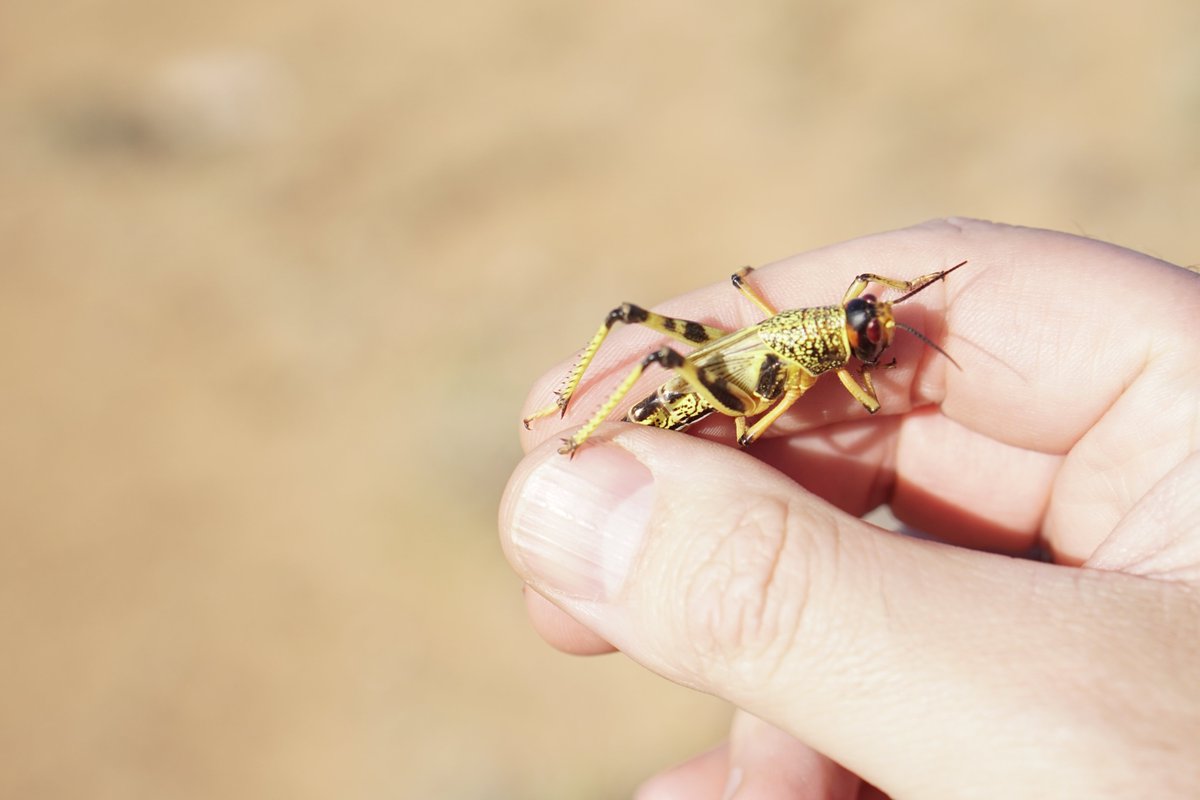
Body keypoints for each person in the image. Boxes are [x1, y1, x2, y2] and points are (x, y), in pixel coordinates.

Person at [498, 218, 1200, 799]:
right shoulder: (823, 350)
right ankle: (577, 423)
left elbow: (836, 293)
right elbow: (843, 392)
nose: (878, 329)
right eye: (870, 329)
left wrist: (895, 303)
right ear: (842, 328)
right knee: (653, 348)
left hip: (759, 363)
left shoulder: (834, 324)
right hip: (714, 387)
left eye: (874, 323)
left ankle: (577, 415)